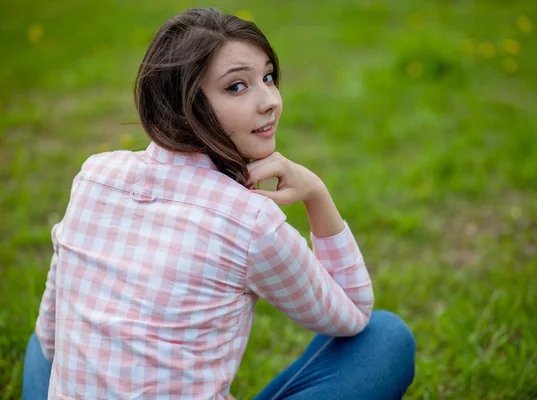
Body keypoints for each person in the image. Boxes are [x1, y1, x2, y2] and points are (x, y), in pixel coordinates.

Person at [22, 7, 416, 399]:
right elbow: (351, 315)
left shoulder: (94, 175)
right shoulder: (250, 219)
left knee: (42, 347)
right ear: (183, 104)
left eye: (267, 77)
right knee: (386, 337)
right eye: (237, 87)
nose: (271, 101)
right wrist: (316, 194)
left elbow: (50, 337)